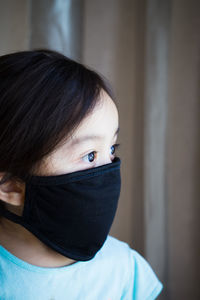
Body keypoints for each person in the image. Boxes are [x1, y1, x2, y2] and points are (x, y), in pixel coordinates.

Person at [0, 49, 163, 299]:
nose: (109, 169)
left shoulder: (126, 272)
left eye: (111, 149)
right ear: (10, 185)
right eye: (90, 156)